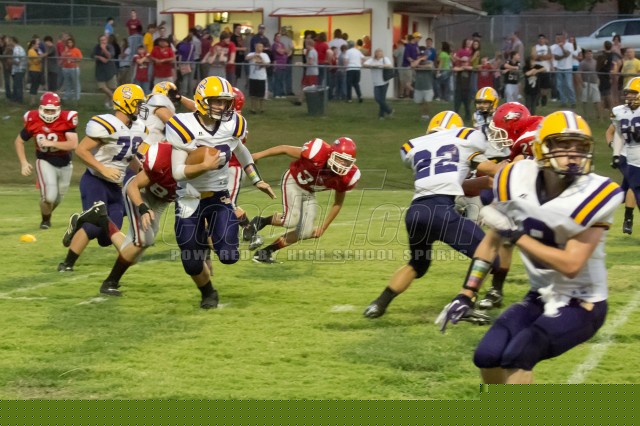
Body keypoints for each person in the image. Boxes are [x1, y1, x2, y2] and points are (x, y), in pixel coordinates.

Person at [438, 111, 623, 384]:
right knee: (487, 355)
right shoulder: (515, 178)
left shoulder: (596, 192)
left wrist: (517, 235)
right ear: (541, 148)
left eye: (580, 147)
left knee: (520, 353)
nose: (573, 154)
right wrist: (467, 293)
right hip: (540, 295)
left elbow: (571, 264)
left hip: (582, 303)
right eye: (564, 145)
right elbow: (491, 242)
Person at [363, 111, 501, 319]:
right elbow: (492, 170)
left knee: (417, 264)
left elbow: (455, 182)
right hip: (441, 211)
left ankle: (378, 304)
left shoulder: (417, 147)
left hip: (415, 212)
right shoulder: (463, 143)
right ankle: (466, 301)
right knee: (490, 256)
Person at [167, 76, 275, 308]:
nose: (222, 106)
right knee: (192, 263)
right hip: (189, 197)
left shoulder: (232, 125)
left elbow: (241, 150)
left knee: (229, 256)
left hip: (218, 196)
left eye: (225, 102)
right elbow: (177, 172)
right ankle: (208, 292)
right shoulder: (183, 125)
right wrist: (203, 166)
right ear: (201, 100)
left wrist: (256, 179)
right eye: (216, 101)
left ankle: (208, 239)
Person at [57, 84, 148, 272]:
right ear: (126, 103)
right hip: (95, 182)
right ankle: (66, 264)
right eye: (138, 103)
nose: (140, 108)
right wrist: (103, 169)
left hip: (116, 186)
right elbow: (81, 150)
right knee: (93, 227)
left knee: (106, 238)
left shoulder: (138, 128)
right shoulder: (107, 124)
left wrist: (142, 173)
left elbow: (129, 156)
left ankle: (79, 222)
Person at [247, 137, 360, 264]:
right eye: (340, 158)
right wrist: (257, 155)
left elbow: (338, 203)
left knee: (305, 232)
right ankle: (261, 221)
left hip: (308, 192)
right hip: (293, 181)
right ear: (331, 153)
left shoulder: (347, 177)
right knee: (290, 220)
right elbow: (284, 149)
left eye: (347, 162)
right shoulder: (317, 152)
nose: (342, 165)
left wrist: (323, 227)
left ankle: (264, 253)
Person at [14, 92, 78, 229]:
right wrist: (23, 163)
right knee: (49, 197)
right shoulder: (33, 119)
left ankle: (46, 215)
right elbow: (19, 141)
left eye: (52, 110)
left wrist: (52, 143)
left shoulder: (66, 119)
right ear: (40, 108)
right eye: (47, 110)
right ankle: (45, 221)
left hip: (66, 163)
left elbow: (73, 144)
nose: (49, 113)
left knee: (57, 198)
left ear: (58, 109)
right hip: (45, 160)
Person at [611, 77, 640, 236]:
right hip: (631, 157)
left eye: (633, 93)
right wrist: (615, 154)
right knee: (633, 189)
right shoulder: (619, 111)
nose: (629, 96)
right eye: (628, 93)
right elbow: (618, 133)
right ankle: (628, 218)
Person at [364, 48, 394, 120]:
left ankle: (381, 115)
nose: (379, 54)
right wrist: (371, 66)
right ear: (375, 53)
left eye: (380, 53)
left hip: (384, 82)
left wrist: (381, 66)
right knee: (377, 98)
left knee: (382, 99)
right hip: (376, 83)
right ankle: (389, 110)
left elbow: (390, 65)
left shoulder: (385, 59)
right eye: (377, 53)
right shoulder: (372, 60)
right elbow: (364, 64)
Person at [92, 35, 118, 109]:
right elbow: (92, 55)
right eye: (101, 40)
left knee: (112, 88)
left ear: (106, 40)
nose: (103, 41)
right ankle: (114, 99)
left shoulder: (110, 47)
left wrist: (104, 49)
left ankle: (108, 104)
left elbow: (110, 56)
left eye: (104, 40)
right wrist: (99, 57)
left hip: (110, 70)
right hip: (100, 71)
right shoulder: (97, 47)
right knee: (101, 87)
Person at [551, 32, 576, 108]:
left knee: (569, 85)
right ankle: (563, 101)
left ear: (564, 38)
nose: (559, 40)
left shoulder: (569, 45)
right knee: (559, 86)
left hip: (568, 68)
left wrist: (562, 48)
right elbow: (556, 57)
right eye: (558, 38)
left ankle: (572, 101)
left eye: (560, 38)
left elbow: (567, 54)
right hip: (559, 68)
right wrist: (563, 55)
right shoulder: (556, 47)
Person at [245, 42, 270, 113]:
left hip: (262, 77)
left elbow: (268, 64)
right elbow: (246, 58)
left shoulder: (265, 55)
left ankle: (262, 108)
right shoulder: (251, 54)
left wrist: (261, 61)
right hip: (252, 77)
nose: (260, 48)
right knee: (253, 94)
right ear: (255, 47)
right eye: (258, 46)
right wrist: (255, 56)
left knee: (261, 95)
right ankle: (253, 108)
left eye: (261, 47)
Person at [578, 49, 602, 120]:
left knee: (597, 100)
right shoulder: (582, 63)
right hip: (586, 83)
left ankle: (598, 115)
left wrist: (598, 80)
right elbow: (579, 74)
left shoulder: (595, 62)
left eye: (590, 53)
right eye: (588, 54)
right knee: (584, 100)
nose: (589, 55)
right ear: (585, 55)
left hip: (594, 83)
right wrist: (581, 83)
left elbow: (598, 72)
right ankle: (585, 115)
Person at [410, 50, 434, 120]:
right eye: (421, 55)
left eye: (423, 55)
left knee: (427, 102)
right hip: (418, 87)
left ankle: (426, 115)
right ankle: (423, 114)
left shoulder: (430, 62)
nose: (422, 57)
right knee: (419, 102)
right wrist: (420, 59)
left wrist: (419, 66)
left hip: (428, 86)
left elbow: (430, 66)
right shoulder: (417, 61)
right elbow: (412, 65)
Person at [531, 34, 553, 106]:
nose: (541, 40)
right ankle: (536, 100)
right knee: (537, 86)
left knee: (545, 87)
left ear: (545, 40)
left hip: (546, 69)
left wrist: (540, 57)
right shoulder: (535, 47)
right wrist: (542, 57)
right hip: (537, 69)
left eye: (542, 39)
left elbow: (549, 56)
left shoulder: (548, 48)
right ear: (538, 40)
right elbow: (533, 56)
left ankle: (544, 98)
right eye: (540, 39)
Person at [60, 36, 82, 104]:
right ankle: (67, 95)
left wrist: (74, 60)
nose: (69, 44)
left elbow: (80, 58)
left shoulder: (76, 50)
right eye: (68, 42)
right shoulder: (65, 50)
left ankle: (76, 97)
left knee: (75, 83)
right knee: (67, 83)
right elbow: (62, 58)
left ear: (73, 43)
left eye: (71, 42)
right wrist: (65, 52)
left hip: (74, 68)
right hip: (66, 68)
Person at [26, 39, 44, 105]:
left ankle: (34, 100)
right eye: (37, 44)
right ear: (33, 44)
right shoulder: (31, 51)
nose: (38, 46)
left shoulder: (37, 51)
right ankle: (32, 100)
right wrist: (41, 57)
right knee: (34, 85)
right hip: (34, 70)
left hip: (38, 70)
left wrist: (40, 57)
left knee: (36, 85)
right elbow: (36, 61)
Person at [10, 37, 26, 103]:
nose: (9, 42)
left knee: (18, 85)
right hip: (18, 69)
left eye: (10, 41)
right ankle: (16, 98)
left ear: (13, 41)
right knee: (16, 85)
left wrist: (11, 60)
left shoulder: (17, 49)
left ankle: (19, 100)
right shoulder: (18, 48)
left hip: (19, 69)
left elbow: (17, 61)